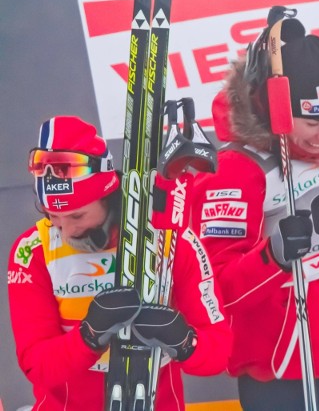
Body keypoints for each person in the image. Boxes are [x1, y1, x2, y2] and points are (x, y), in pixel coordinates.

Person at [194, 12, 319, 410]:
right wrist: (274, 255)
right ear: (276, 108)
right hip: (287, 375)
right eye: (314, 121)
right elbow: (218, 292)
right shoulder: (237, 170)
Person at [7, 116, 232, 411]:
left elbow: (218, 351)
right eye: (51, 215)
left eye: (77, 216)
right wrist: (89, 335)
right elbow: (36, 365)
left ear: (106, 197)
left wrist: (184, 342)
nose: (65, 230)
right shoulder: (32, 251)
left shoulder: (169, 238)